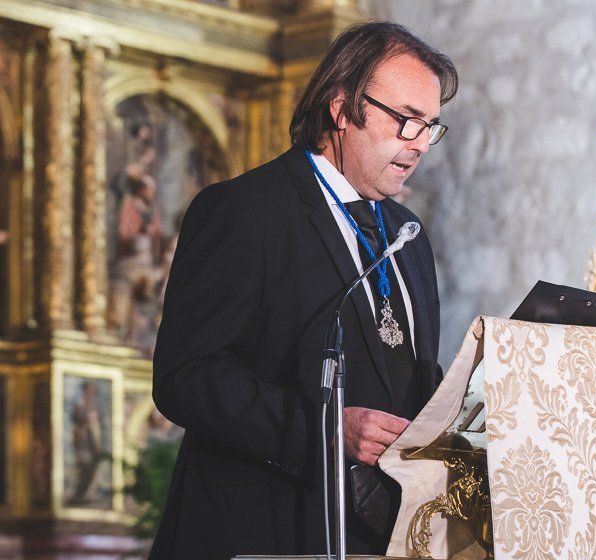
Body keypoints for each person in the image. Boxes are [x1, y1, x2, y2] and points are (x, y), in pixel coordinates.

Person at [150, 22, 458, 558]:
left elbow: (407, 372)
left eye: (431, 126)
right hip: (268, 527)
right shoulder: (246, 211)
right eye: (407, 120)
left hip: (381, 535)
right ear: (341, 108)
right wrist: (325, 429)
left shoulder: (408, 234)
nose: (422, 144)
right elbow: (186, 377)